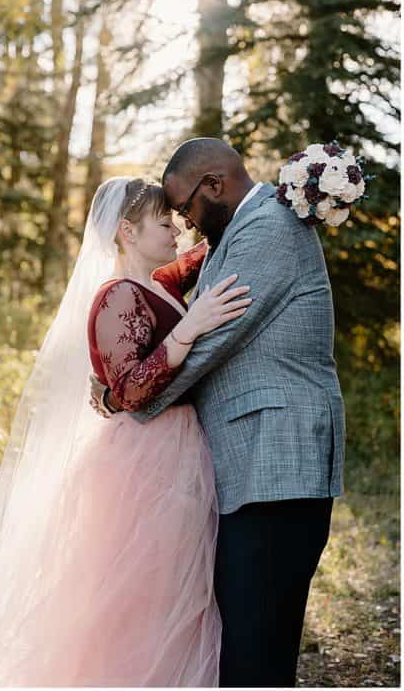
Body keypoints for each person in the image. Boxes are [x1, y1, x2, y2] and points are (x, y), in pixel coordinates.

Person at [0, 177, 249, 686]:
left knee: (179, 585)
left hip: (180, 448)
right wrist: (191, 329)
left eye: (176, 223)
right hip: (141, 458)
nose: (177, 232)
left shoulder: (159, 284)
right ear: (127, 231)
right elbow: (128, 389)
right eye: (165, 224)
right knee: (139, 588)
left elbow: (208, 247)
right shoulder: (115, 297)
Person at [98, 138, 344, 686]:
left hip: (278, 461)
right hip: (251, 468)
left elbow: (215, 341)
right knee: (249, 640)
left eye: (184, 207)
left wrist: (131, 397)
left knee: (256, 646)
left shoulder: (270, 229)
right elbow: (152, 290)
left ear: (214, 185)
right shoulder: (230, 236)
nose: (183, 220)